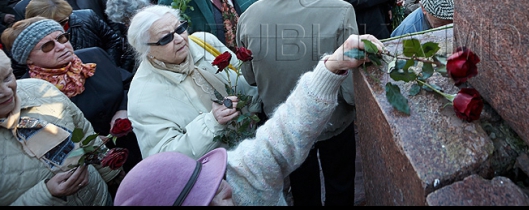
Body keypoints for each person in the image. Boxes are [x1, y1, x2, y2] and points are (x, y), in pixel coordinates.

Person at [114, 33, 375, 206]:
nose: (226, 190)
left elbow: (280, 139)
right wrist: (210, 123)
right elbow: (160, 147)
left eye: (214, 181)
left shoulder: (236, 181)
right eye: (208, 197)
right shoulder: (142, 93)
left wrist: (329, 69)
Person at [237, 0, 358, 205]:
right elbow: (350, 78)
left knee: (303, 190)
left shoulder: (249, 15)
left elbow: (250, 76)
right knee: (340, 183)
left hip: (284, 122)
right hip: (333, 119)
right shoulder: (341, 10)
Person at [3, 16, 139, 168]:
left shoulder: (94, 56)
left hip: (137, 142)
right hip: (94, 166)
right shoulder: (29, 93)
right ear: (27, 59)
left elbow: (129, 83)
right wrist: (81, 146)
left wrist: (123, 109)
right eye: (47, 46)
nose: (61, 47)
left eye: (62, 38)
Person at [124, 5, 257, 158]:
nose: (180, 39)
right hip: (219, 171)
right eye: (166, 38)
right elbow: (164, 157)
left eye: (180, 28)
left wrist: (256, 112)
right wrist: (212, 123)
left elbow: (245, 80)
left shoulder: (205, 42)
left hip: (257, 141)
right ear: (145, 49)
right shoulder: (142, 97)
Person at [0, 51, 121, 206]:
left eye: (7, 77)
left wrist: (111, 173)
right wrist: (45, 195)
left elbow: (84, 133)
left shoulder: (39, 89)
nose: (6, 91)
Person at [24, 0, 124, 67]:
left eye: (62, 22)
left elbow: (113, 41)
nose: (57, 29)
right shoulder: (26, 37)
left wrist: (108, 67)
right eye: (48, 26)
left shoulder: (87, 17)